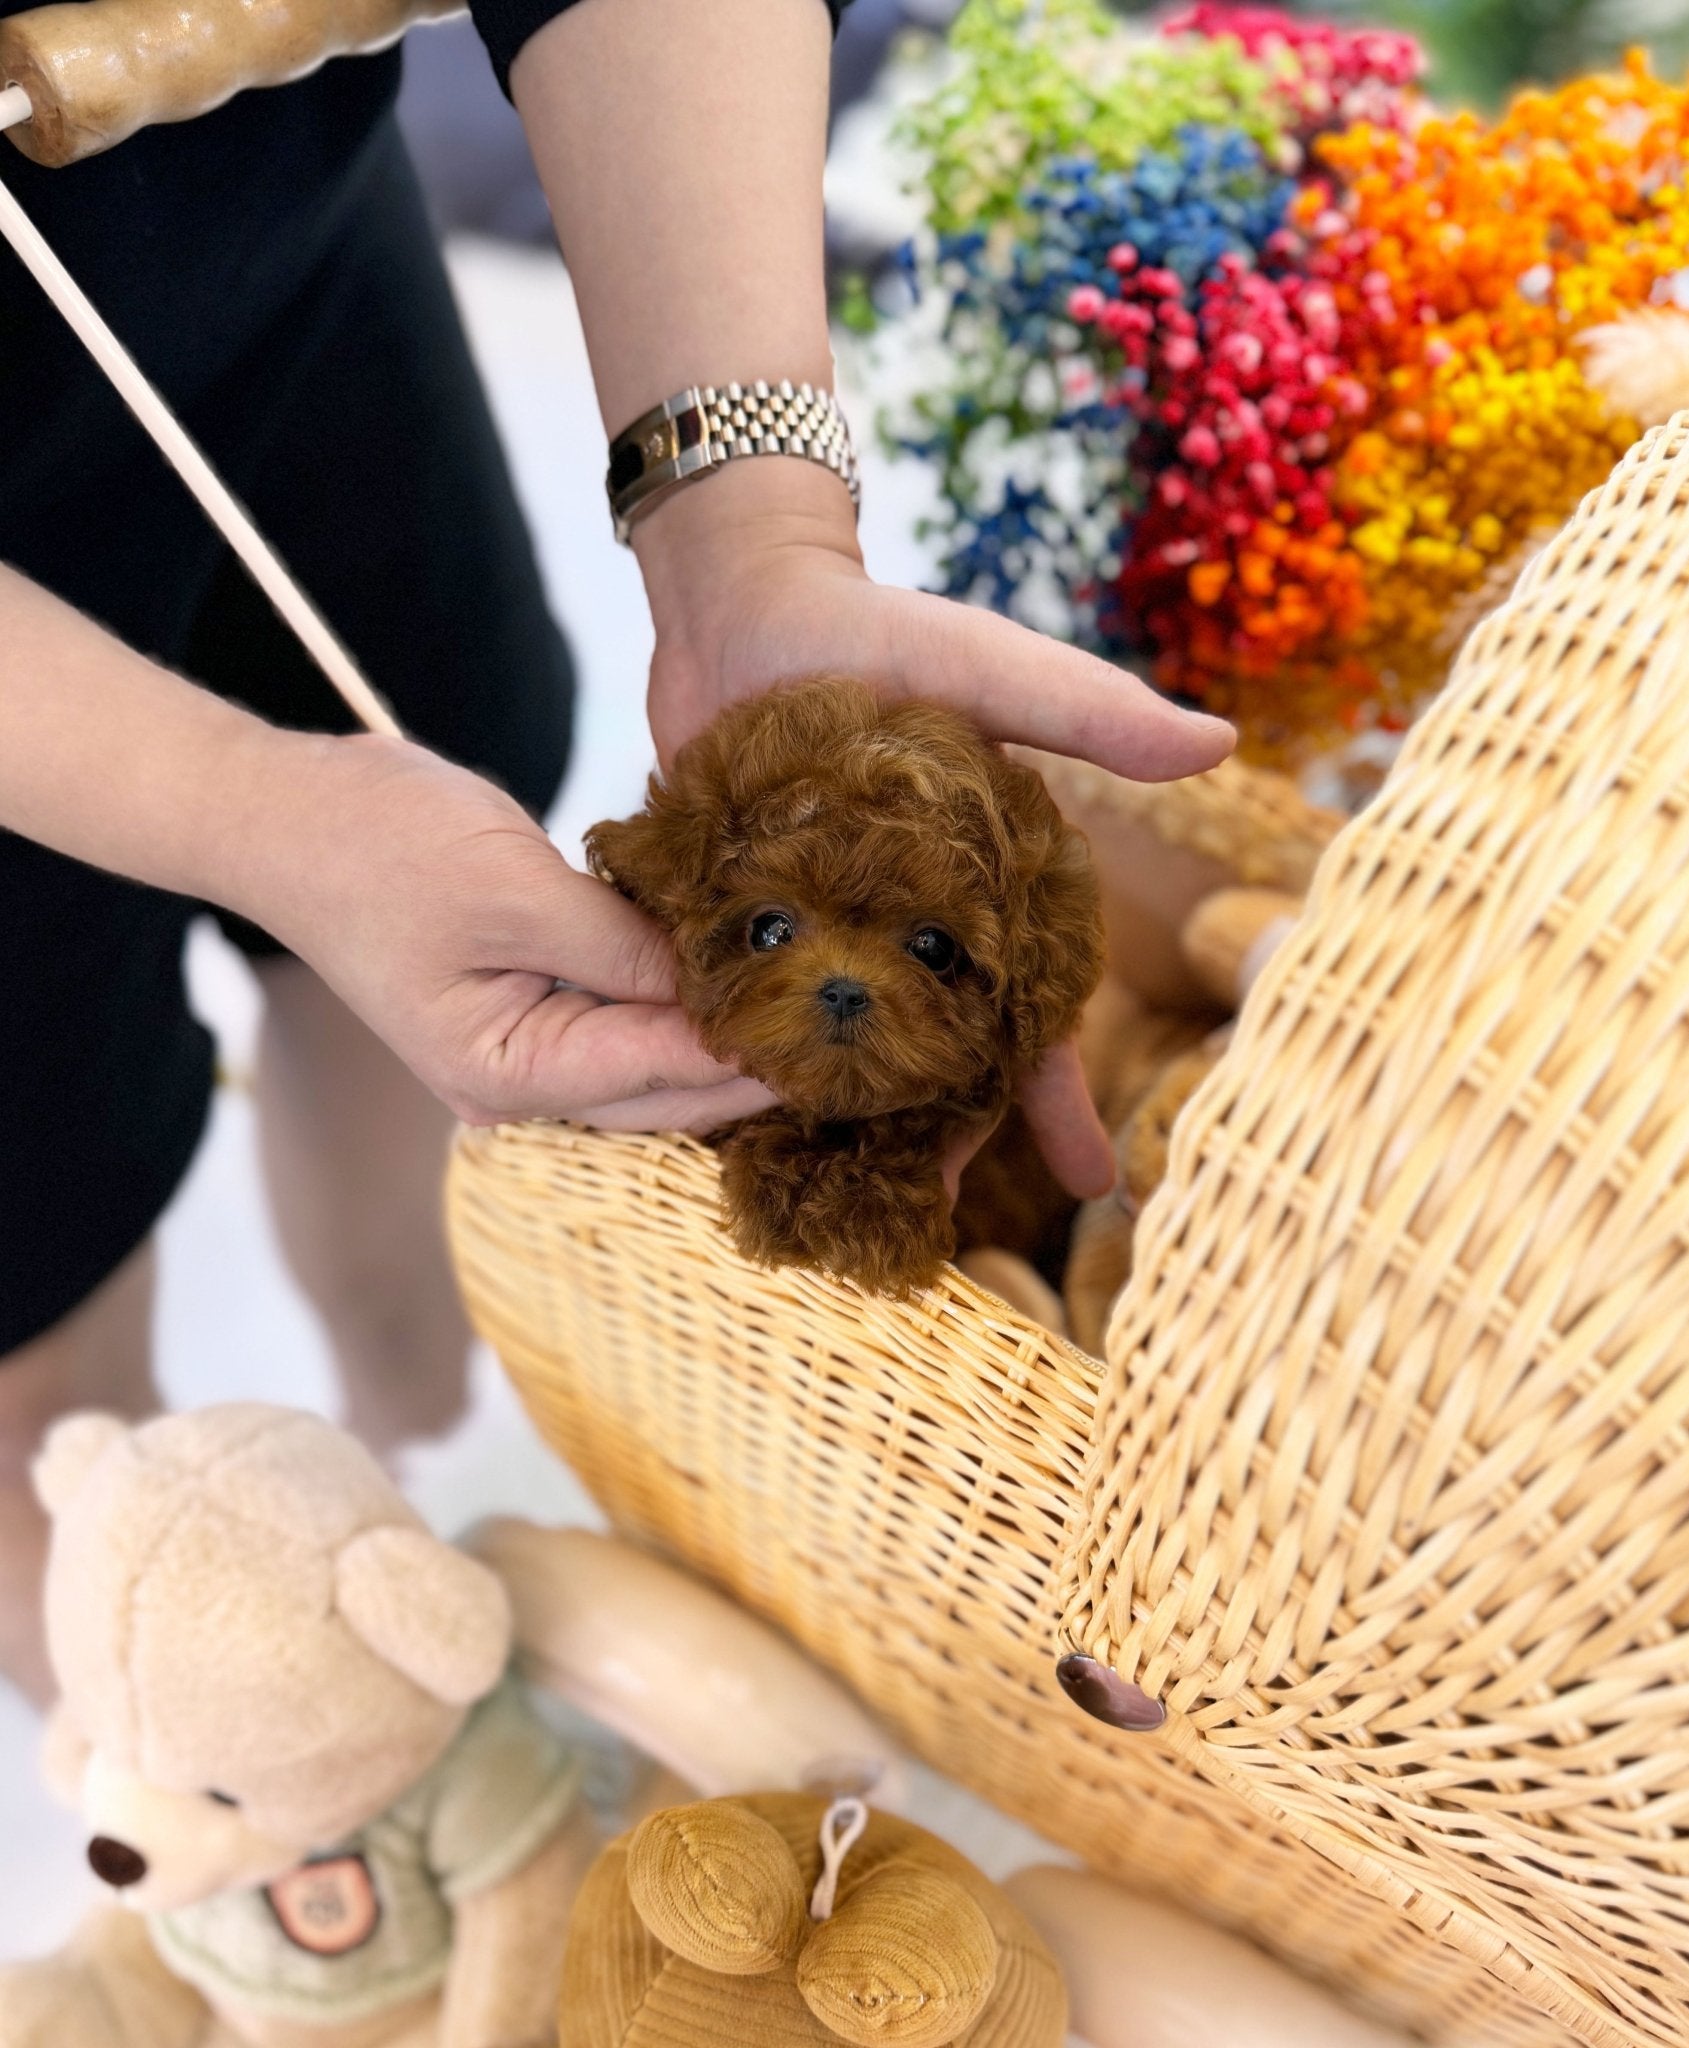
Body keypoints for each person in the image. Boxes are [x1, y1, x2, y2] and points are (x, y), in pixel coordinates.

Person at [0, 0, 1235, 1704]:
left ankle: (408, 1404)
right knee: (44, 1333)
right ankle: (234, 1766)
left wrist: (756, 538)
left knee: (442, 868)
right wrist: (244, 810)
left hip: (265, 201)